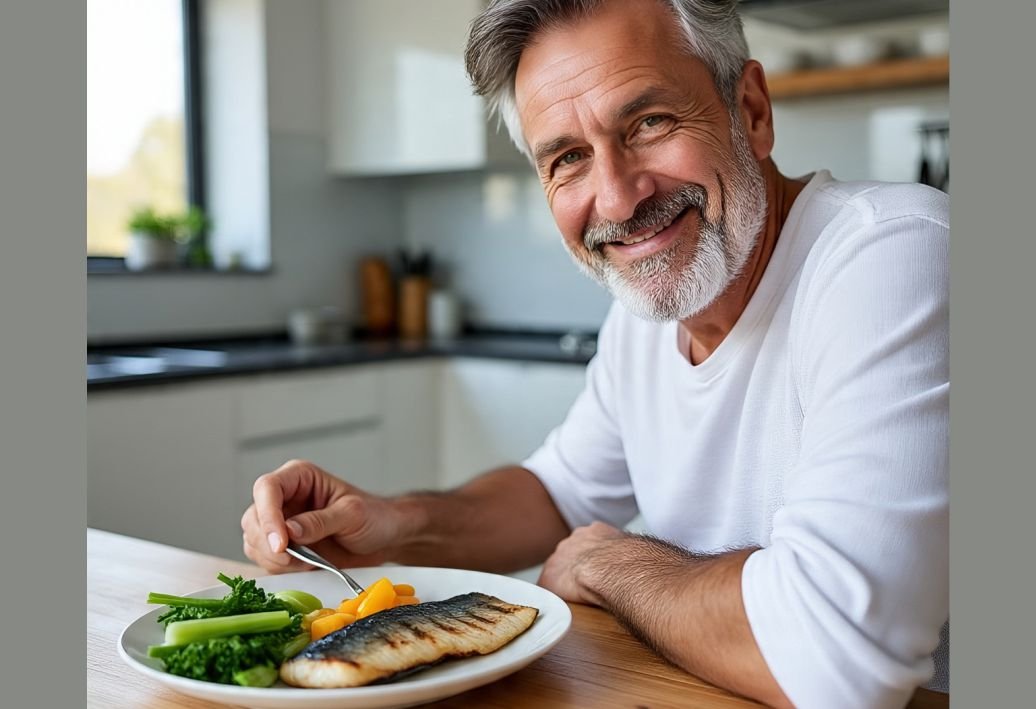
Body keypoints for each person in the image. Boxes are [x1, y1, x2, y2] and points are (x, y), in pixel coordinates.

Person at [241, 1, 949, 706]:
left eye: (649, 123)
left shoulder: (894, 255)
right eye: (568, 158)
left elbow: (835, 658)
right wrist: (392, 523)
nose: (616, 198)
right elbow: (557, 493)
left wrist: (607, 563)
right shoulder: (645, 321)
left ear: (752, 111)